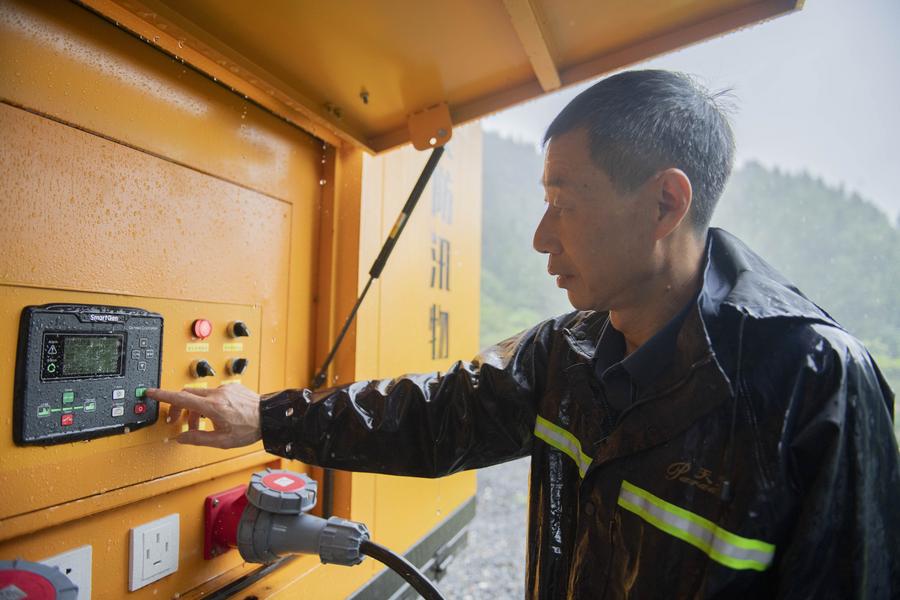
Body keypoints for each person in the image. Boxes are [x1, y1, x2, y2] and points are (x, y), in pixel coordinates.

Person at [147, 70, 900, 598]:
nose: (542, 239)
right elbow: (430, 417)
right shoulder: (565, 351)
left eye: (563, 203)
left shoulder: (815, 383)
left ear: (666, 204)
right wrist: (267, 417)